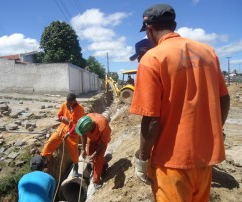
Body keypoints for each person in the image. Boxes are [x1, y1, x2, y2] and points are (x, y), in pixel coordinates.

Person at [130, 3, 230, 201]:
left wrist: (143, 158)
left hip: (171, 163)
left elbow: (152, 121)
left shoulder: (152, 59)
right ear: (173, 24)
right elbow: (224, 99)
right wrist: (215, 130)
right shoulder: (208, 52)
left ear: (149, 30)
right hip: (205, 159)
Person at [41, 93, 85, 177]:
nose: (68, 104)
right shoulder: (65, 104)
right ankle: (43, 158)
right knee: (50, 141)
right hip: (62, 129)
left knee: (74, 151)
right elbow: (59, 115)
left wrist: (69, 133)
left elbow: (77, 124)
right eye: (67, 102)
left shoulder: (80, 109)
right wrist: (62, 118)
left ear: (74, 101)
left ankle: (76, 167)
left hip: (73, 133)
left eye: (70, 103)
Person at [75, 113, 111, 189]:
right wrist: (83, 149)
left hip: (102, 141)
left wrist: (95, 154)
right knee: (90, 155)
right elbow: (83, 135)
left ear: (90, 129)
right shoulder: (85, 122)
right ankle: (104, 164)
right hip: (92, 138)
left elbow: (104, 143)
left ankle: (96, 181)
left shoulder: (103, 127)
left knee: (97, 159)